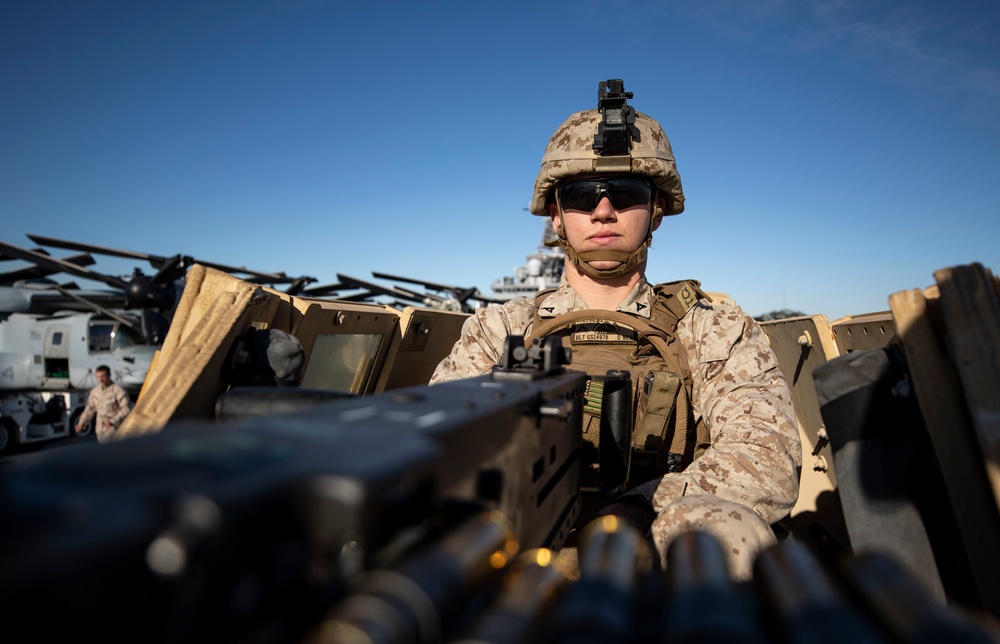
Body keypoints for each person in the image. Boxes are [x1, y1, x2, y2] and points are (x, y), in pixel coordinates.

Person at [430, 79, 801, 579]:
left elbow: (767, 460)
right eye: (581, 196)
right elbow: (437, 447)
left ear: (657, 210)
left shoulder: (711, 329)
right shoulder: (501, 330)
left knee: (719, 526)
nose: (603, 211)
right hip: (516, 555)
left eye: (626, 194)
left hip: (663, 560)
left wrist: (642, 506)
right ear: (557, 216)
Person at [76, 364, 131, 443]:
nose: (100, 379)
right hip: (100, 429)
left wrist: (113, 421)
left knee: (111, 452)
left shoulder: (118, 391)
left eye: (103, 376)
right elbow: (90, 409)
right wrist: (81, 423)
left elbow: (126, 409)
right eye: (98, 377)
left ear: (109, 375)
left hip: (114, 428)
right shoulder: (95, 392)